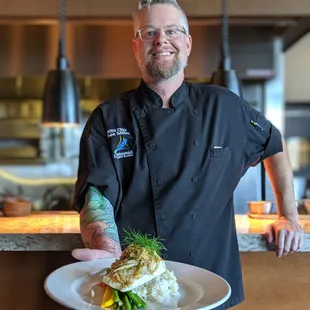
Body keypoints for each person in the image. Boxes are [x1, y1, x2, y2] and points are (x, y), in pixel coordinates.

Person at [71, 0, 304, 308]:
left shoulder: (225, 107)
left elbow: (274, 143)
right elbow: (97, 195)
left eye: (172, 30)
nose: (161, 40)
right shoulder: (109, 117)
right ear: (135, 46)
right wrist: (106, 244)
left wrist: (288, 216)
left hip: (211, 282)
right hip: (137, 283)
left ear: (188, 43)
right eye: (149, 32)